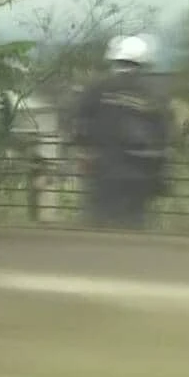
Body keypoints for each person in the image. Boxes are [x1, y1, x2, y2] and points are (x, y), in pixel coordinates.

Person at [72, 34, 171, 230]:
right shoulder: (152, 94)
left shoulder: (97, 89)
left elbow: (79, 124)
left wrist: (84, 153)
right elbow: (163, 136)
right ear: (142, 63)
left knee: (98, 223)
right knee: (134, 224)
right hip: (140, 174)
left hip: (104, 169)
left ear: (115, 60)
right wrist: (159, 174)